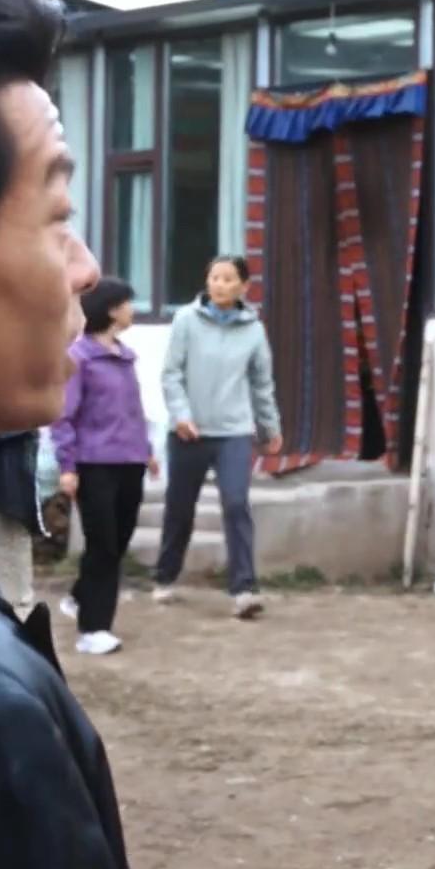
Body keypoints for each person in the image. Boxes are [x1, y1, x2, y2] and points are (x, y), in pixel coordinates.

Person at [0, 0, 370, 869]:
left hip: (218, 438)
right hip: (156, 444)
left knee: (227, 517)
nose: (85, 268)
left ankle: (236, 584)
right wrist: (163, 429)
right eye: (58, 214)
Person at [154, 253, 282, 619]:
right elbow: (171, 374)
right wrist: (181, 415)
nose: (220, 285)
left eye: (228, 279)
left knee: (237, 504)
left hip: (233, 432)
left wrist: (270, 428)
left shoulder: (254, 330)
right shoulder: (186, 320)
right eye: (214, 278)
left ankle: (244, 589)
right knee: (180, 508)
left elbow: (261, 384)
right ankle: (165, 576)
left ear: (244, 286)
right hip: (188, 433)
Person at [51, 276, 158, 654]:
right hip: (94, 464)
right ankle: (93, 630)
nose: (132, 310)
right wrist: (67, 466)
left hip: (130, 463)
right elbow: (63, 416)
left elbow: (132, 411)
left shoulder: (125, 357)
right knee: (103, 545)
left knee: (118, 541)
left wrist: (147, 450)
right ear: (111, 310)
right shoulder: (78, 358)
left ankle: (82, 595)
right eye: (127, 303)